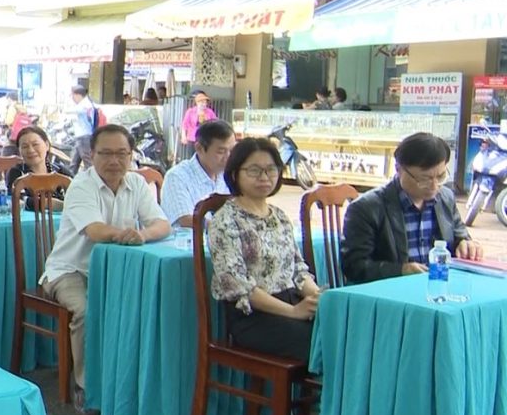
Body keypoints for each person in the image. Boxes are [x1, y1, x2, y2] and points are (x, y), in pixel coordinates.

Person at [40, 124, 171, 415]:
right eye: (106, 154)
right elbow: (95, 230)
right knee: (86, 311)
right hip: (70, 271)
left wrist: (144, 235)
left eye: (122, 154)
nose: (114, 161)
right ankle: (87, 387)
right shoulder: (81, 185)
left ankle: (128, 384)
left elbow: (162, 224)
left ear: (131, 155)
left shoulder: (136, 184)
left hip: (116, 271)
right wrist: (127, 233)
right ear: (91, 155)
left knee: (147, 305)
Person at [208, 138, 322, 362]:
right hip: (253, 316)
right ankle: (333, 397)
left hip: (290, 302)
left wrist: (317, 298)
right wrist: (294, 312)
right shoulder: (225, 220)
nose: (264, 177)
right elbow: (237, 283)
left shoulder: (279, 215)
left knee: (345, 329)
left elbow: (298, 268)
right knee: (323, 340)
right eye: (254, 170)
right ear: (234, 175)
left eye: (271, 170)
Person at [341, 132, 481, 285]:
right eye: (423, 179)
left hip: (436, 285)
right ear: (399, 169)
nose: (434, 186)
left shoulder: (445, 198)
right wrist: (401, 270)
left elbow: (459, 235)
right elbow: (353, 266)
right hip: (390, 291)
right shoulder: (366, 208)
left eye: (440, 177)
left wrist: (466, 243)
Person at [160, 119, 235, 227]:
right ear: (199, 148)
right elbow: (186, 220)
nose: (228, 157)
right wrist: (223, 229)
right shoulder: (177, 176)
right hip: (188, 242)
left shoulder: (229, 175)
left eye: (231, 151)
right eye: (221, 151)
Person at [5, 126, 72, 211]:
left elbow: (79, 195)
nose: (30, 150)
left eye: (35, 144)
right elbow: (20, 201)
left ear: (47, 145)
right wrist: (50, 203)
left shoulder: (60, 171)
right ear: (19, 150)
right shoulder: (16, 172)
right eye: (25, 146)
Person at [66, 85, 95, 175]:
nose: (72, 98)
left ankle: (92, 180)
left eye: (72, 96)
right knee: (74, 163)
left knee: (88, 162)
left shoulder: (85, 105)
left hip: (84, 137)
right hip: (80, 137)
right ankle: (70, 181)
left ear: (77, 95)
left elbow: (68, 110)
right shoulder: (85, 104)